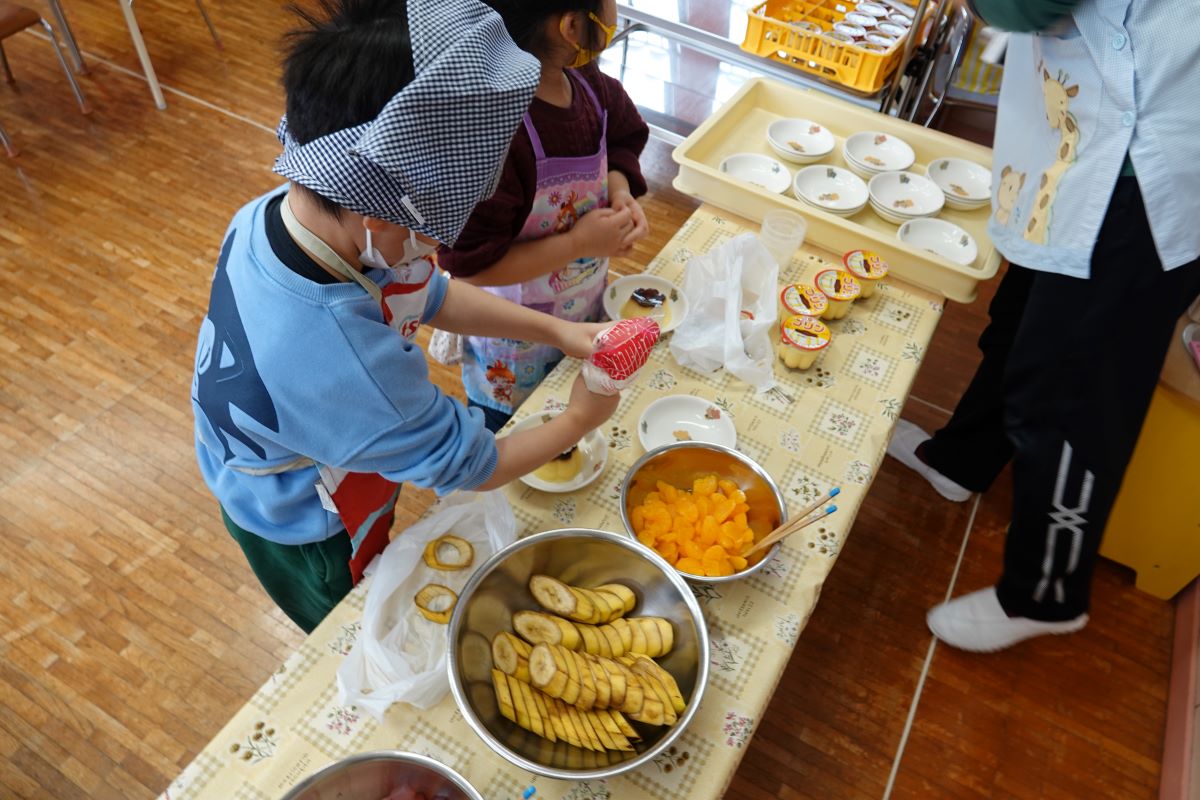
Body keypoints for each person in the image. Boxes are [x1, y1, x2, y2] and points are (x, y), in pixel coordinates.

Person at [190, 0, 620, 633]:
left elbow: (426, 294)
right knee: (349, 621)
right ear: (379, 216)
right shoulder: (348, 362)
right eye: (433, 231)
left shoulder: (282, 211)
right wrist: (581, 417)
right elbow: (472, 465)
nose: (435, 249)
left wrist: (556, 329)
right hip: (306, 524)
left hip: (302, 432)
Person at [887, 0, 1200, 652]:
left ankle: (1046, 592)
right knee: (1022, 314)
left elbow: (1026, 4)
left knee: (1069, 396)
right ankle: (960, 459)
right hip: (1092, 133)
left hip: (1140, 167)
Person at [438, 0, 650, 432]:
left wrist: (620, 191)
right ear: (571, 26)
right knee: (515, 434)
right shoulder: (496, 133)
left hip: (583, 308)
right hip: (513, 349)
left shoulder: (588, 82)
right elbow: (471, 268)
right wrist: (578, 244)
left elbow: (621, 139)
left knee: (575, 419)